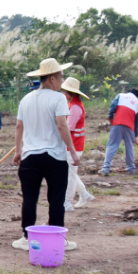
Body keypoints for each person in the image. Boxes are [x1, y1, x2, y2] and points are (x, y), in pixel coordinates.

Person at [12, 58, 81, 251]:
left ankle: (26, 238)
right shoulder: (58, 98)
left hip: (30, 156)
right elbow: (62, 125)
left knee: (30, 198)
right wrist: (73, 152)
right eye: (61, 77)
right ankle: (57, 238)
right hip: (54, 157)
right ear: (52, 78)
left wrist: (18, 151)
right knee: (56, 199)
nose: (62, 81)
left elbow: (19, 127)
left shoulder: (26, 99)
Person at [62, 77, 96, 210]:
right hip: (73, 145)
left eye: (65, 92)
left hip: (73, 146)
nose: (63, 94)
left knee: (69, 174)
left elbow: (67, 128)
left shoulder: (75, 108)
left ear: (71, 93)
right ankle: (84, 194)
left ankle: (67, 202)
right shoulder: (72, 104)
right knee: (71, 172)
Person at [101, 88, 138, 176]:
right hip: (129, 127)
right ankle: (131, 168)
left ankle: (106, 168)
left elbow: (113, 105)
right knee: (129, 147)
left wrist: (111, 115)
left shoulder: (121, 96)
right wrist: (135, 134)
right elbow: (137, 120)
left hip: (117, 123)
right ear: (137, 97)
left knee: (112, 145)